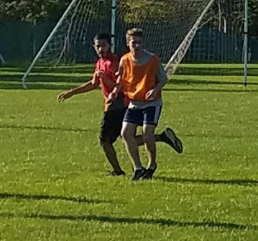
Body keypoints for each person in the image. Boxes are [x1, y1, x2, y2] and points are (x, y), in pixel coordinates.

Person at [58, 33, 180, 176]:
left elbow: (119, 85)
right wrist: (72, 92)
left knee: (105, 140)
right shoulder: (100, 62)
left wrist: (110, 87)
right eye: (98, 46)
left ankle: (121, 170)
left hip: (119, 105)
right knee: (128, 138)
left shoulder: (115, 62)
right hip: (116, 104)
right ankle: (159, 139)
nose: (100, 49)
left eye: (103, 45)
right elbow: (94, 84)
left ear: (110, 45)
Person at [113, 28, 170, 181]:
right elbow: (121, 79)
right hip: (134, 102)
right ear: (127, 43)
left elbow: (164, 79)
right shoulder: (124, 60)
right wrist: (115, 90)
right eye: (133, 42)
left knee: (147, 133)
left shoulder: (153, 60)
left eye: (139, 42)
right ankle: (138, 168)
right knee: (125, 133)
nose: (137, 46)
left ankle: (152, 165)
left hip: (152, 103)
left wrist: (155, 89)